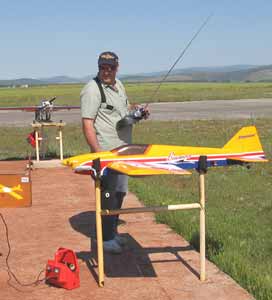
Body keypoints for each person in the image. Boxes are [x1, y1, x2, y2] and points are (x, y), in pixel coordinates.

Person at [80, 51, 149, 254]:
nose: (106, 71)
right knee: (107, 194)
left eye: (110, 67)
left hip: (123, 152)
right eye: (103, 67)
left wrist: (137, 111)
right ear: (98, 67)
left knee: (119, 193)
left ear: (117, 68)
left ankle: (112, 232)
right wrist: (98, 154)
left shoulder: (119, 85)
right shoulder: (92, 90)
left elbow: (124, 107)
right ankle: (105, 238)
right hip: (106, 153)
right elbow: (87, 124)